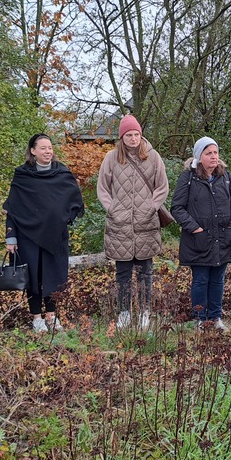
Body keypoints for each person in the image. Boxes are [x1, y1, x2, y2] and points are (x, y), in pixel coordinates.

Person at [3, 134, 84, 333]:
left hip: (55, 235)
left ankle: (52, 315)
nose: (48, 151)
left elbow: (75, 201)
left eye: (50, 148)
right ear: (33, 151)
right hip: (27, 236)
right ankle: (36, 317)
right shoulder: (22, 175)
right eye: (43, 148)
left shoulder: (62, 173)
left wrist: (65, 219)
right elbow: (13, 207)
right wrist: (10, 236)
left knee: (54, 275)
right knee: (33, 276)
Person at [97, 115, 169, 329]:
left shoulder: (153, 157)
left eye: (136, 134)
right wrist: (113, 209)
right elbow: (102, 188)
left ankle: (145, 312)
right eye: (129, 135)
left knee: (146, 272)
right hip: (120, 226)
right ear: (122, 137)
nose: (133, 138)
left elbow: (162, 186)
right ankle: (125, 313)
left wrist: (151, 207)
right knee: (123, 273)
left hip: (146, 224)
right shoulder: (111, 158)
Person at [171, 136, 231, 331]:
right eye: (208, 153)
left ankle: (216, 318)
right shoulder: (188, 177)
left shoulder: (225, 176)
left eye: (215, 152)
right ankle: (200, 319)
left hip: (223, 239)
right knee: (201, 280)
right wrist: (195, 228)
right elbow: (177, 208)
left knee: (218, 280)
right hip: (199, 240)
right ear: (199, 156)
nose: (213, 157)